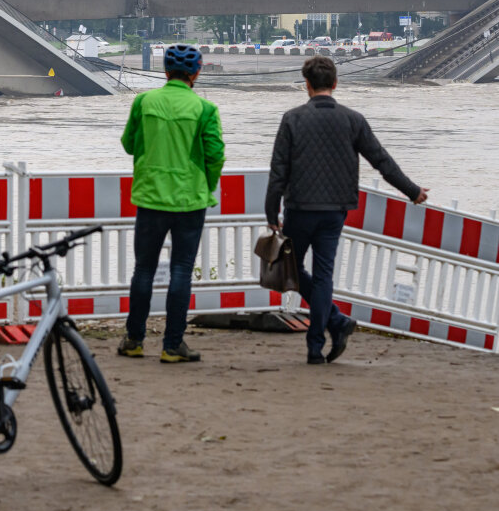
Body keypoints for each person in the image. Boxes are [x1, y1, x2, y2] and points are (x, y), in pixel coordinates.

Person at [265, 55, 429, 364]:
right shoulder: (353, 120)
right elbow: (381, 161)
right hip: (335, 211)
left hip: (300, 208)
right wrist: (413, 191)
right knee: (324, 275)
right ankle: (319, 343)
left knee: (291, 270)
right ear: (335, 84)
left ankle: (336, 322)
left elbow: (278, 172)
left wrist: (271, 214)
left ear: (307, 85)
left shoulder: (292, 119)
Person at [118, 44, 225, 362]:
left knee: (144, 270)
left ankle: (134, 340)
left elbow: (128, 144)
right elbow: (215, 154)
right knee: (181, 270)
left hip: (150, 198)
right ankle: (172, 345)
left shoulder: (144, 101)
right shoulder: (205, 109)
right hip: (190, 201)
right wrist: (207, 184)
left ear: (165, 72)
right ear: (197, 73)